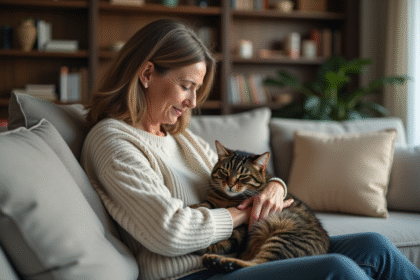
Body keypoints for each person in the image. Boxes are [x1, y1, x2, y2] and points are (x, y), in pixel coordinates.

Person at [81, 19, 420, 280]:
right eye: (186, 86)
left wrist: (275, 186)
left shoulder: (180, 137)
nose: (193, 102)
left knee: (375, 247)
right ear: (147, 74)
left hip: (240, 249)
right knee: (338, 270)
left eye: (197, 89)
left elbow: (248, 176)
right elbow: (168, 232)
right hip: (195, 272)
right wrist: (245, 213)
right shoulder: (113, 141)